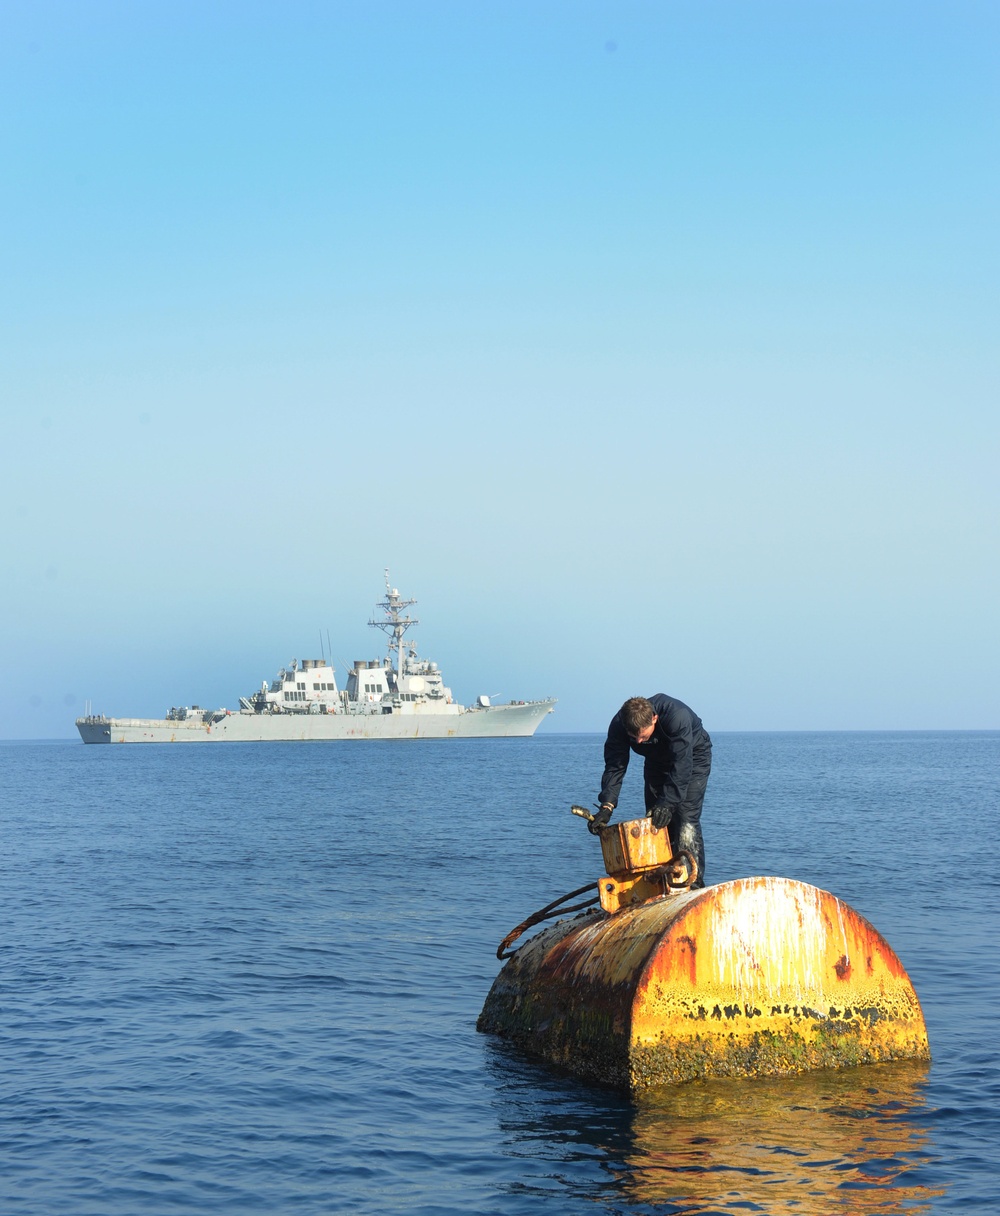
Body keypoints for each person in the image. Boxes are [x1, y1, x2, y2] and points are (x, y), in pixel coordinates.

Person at [591, 694, 712, 887]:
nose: (638, 741)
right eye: (633, 737)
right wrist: (607, 805)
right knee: (656, 820)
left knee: (685, 819)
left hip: (693, 758)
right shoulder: (618, 724)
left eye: (642, 735)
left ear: (654, 718)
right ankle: (664, 881)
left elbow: (682, 766)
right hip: (656, 762)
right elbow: (615, 765)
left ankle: (692, 884)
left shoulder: (676, 717)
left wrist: (668, 803)